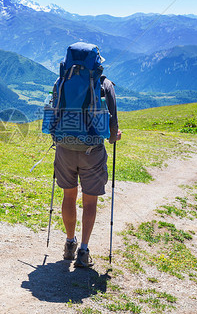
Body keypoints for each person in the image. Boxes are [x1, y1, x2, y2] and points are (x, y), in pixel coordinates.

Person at [53, 67, 122, 268]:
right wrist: (112, 137)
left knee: (69, 196)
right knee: (89, 201)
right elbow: (113, 120)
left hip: (64, 147)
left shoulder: (62, 81)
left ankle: (69, 243)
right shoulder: (105, 84)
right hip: (92, 151)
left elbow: (55, 112)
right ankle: (83, 251)